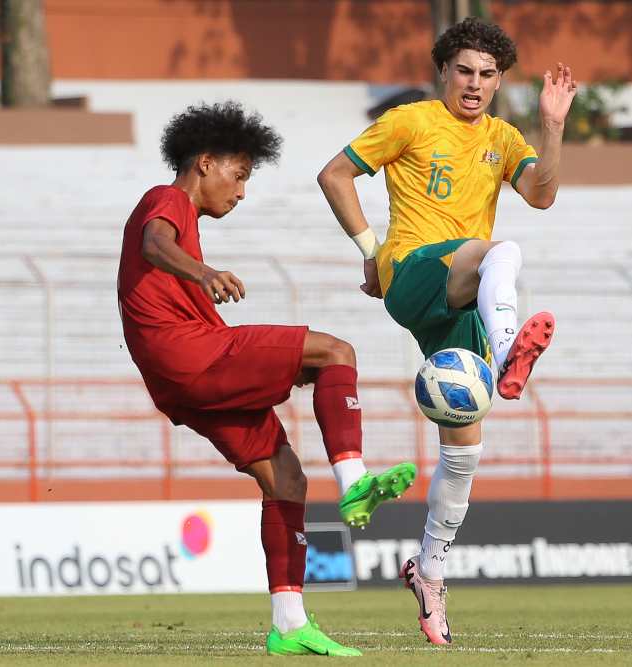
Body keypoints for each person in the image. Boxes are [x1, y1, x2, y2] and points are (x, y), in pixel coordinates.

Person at [118, 101, 416, 657]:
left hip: (180, 381)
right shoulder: (167, 200)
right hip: (192, 355)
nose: (241, 191)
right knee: (336, 351)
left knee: (286, 481)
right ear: (205, 162)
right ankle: (354, 483)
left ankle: (289, 623)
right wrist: (203, 272)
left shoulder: (183, 213)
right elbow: (153, 246)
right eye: (240, 174)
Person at [317, 18, 576, 645]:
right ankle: (512, 344)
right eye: (465, 70)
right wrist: (371, 253)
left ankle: (429, 572)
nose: (475, 84)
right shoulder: (410, 121)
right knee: (499, 249)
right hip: (412, 273)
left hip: (461, 302)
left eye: (488, 75)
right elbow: (334, 175)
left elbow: (541, 194)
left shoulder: (504, 137)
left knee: (464, 451)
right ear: (443, 71)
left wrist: (554, 124)